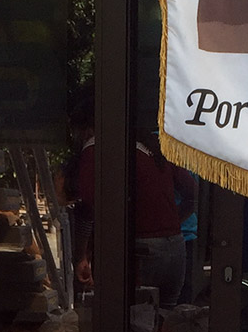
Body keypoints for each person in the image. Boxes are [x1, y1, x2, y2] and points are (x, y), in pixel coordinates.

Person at [68, 111, 195, 304]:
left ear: (89, 128)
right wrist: (169, 224)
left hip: (141, 251)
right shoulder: (155, 147)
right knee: (166, 322)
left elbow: (89, 207)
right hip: (176, 248)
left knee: (133, 323)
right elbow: (193, 193)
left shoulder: (96, 149)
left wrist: (81, 256)